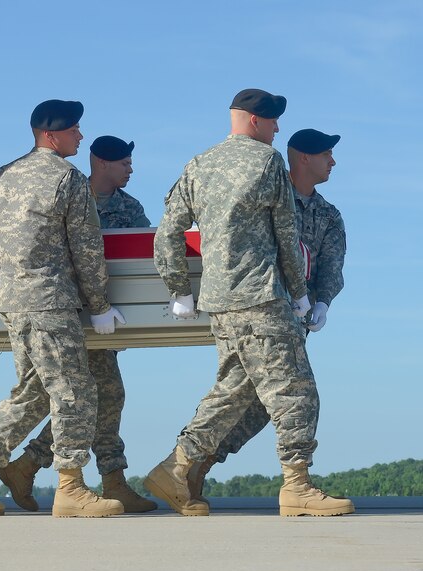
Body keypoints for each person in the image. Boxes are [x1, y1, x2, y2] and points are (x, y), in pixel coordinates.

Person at [145, 89, 354, 517]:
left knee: (235, 393)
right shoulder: (266, 161)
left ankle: (178, 469)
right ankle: (296, 486)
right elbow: (284, 235)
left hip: (221, 300)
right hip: (262, 295)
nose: (278, 130)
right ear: (256, 121)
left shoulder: (198, 164)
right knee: (296, 391)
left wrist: (180, 290)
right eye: (273, 122)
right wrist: (299, 294)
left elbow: (167, 231)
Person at [0, 100, 125, 518]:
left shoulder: (0, 178)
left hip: (14, 303)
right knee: (75, 392)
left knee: (33, 393)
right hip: (50, 300)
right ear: (51, 136)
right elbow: (87, 249)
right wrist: (100, 305)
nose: (80, 136)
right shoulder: (68, 178)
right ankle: (70, 487)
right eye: (74, 130)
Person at [185, 128, 346, 501]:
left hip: (291, 317)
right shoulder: (268, 192)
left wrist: (322, 302)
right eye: (326, 154)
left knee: (250, 402)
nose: (333, 162)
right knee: (289, 394)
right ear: (303, 158)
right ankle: (295, 486)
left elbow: (331, 266)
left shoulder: (327, 214)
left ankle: (192, 465)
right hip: (255, 307)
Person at [0, 135, 155, 513]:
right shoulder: (66, 189)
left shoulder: (129, 209)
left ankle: (32, 464)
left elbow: (143, 253)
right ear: (101, 162)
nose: (130, 169)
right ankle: (97, 479)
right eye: (123, 163)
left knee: (103, 396)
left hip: (97, 315)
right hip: (62, 311)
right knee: (90, 395)